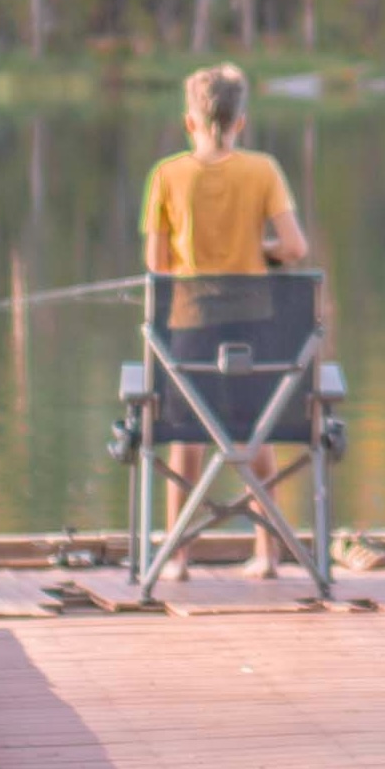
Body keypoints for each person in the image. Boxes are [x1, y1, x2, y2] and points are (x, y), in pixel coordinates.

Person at [138, 63, 310, 577]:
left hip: (189, 332)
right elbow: (296, 248)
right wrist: (260, 250)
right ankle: (266, 552)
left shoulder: (167, 175)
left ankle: (179, 554)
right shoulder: (263, 171)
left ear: (190, 122)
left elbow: (158, 268)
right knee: (254, 433)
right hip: (255, 330)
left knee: (188, 432)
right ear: (241, 122)